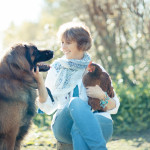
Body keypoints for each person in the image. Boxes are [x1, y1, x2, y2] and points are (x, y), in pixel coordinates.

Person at [33, 22, 120, 150]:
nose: (63, 47)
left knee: (79, 128)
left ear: (81, 44)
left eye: (67, 43)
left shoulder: (96, 70)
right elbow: (49, 108)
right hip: (64, 125)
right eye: (62, 43)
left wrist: (102, 96)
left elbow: (114, 107)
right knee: (76, 103)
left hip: (100, 121)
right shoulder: (56, 69)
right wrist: (40, 82)